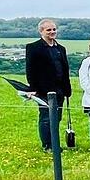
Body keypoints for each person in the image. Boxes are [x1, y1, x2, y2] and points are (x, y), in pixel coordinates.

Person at [25, 19, 72, 151]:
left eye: (54, 29)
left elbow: (65, 70)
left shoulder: (61, 49)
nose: (52, 32)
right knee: (46, 118)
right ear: (41, 31)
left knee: (56, 118)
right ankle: (48, 146)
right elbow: (30, 69)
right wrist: (33, 88)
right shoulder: (33, 47)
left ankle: (55, 144)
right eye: (48, 30)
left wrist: (67, 90)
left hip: (60, 90)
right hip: (43, 90)